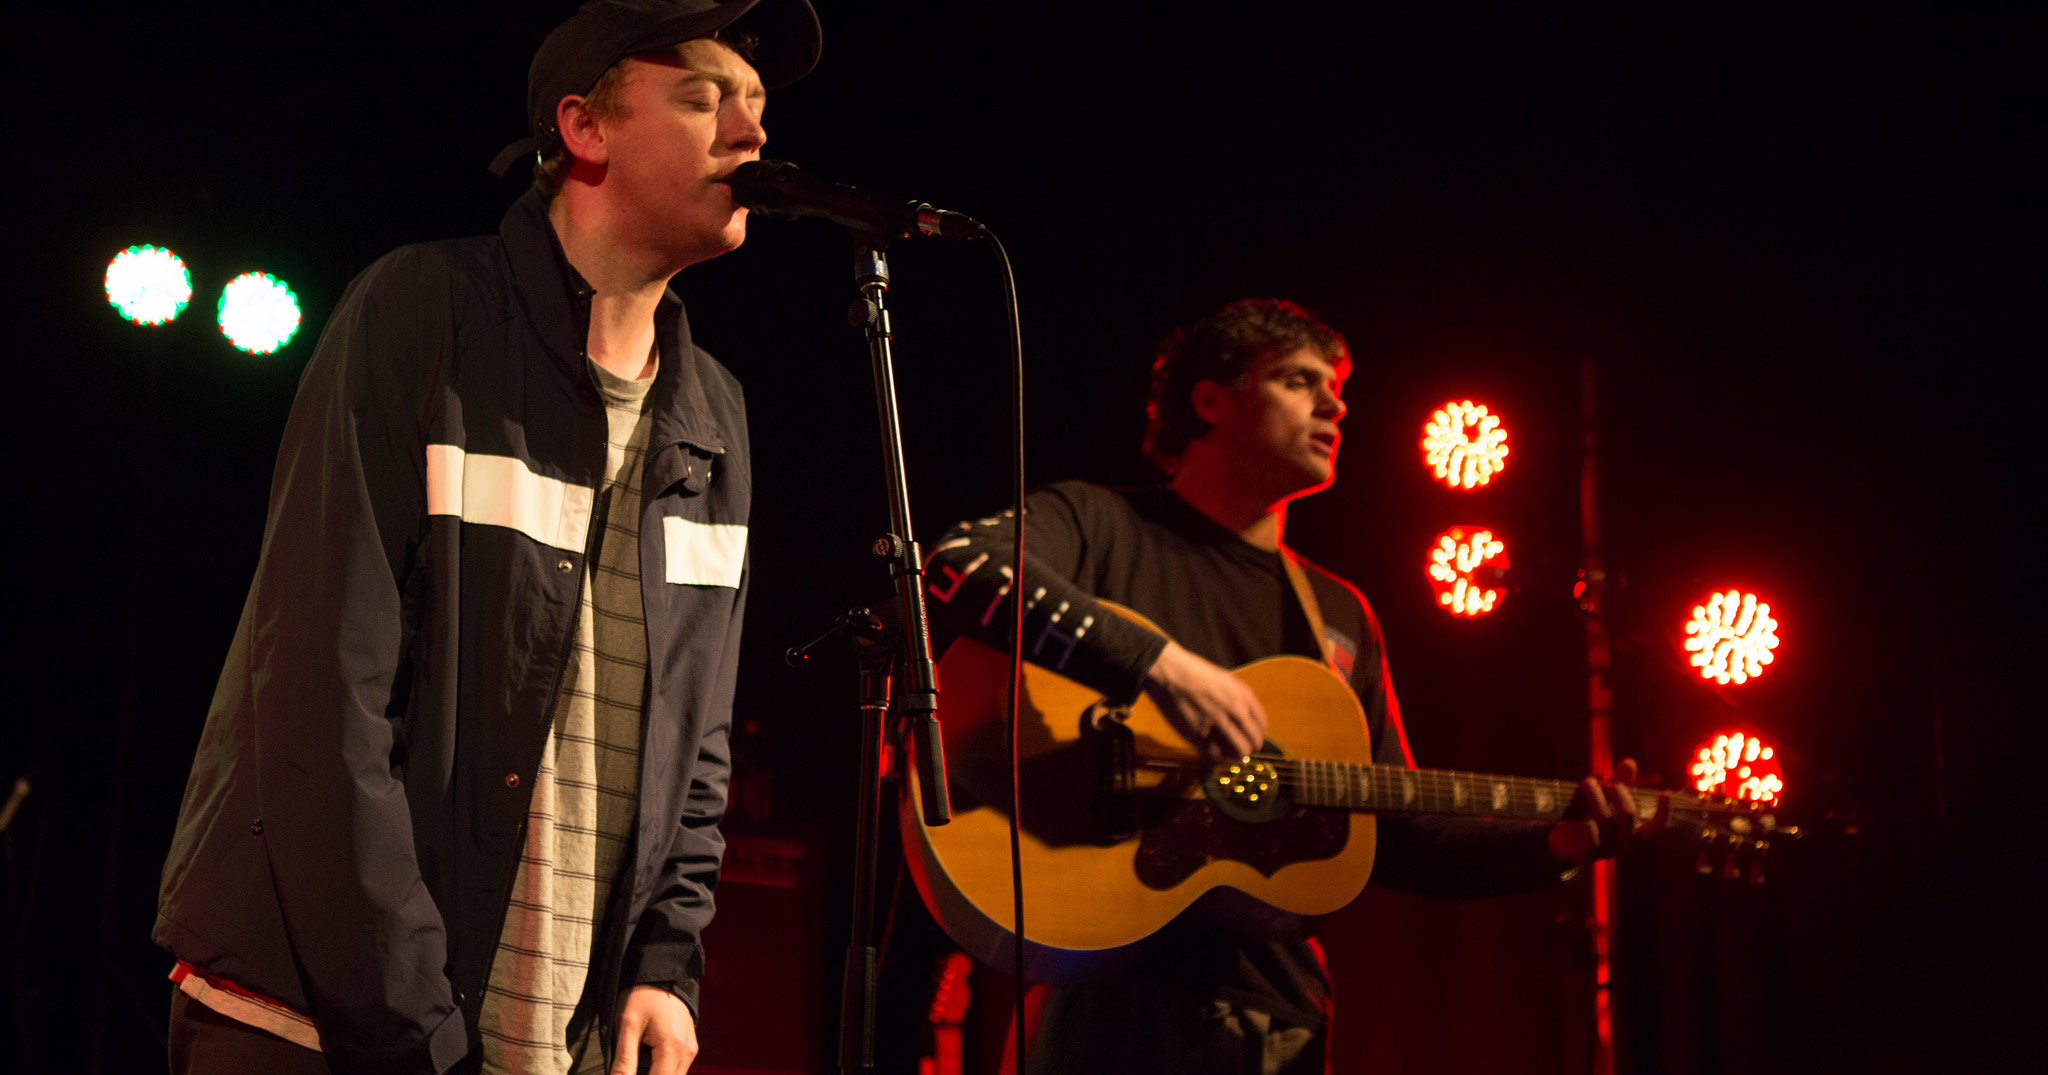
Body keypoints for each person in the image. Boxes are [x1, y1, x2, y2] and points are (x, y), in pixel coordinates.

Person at [152, 3, 821, 1073]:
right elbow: (321, 698)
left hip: (544, 1037)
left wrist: (661, 961)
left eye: (757, 107)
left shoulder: (715, 417)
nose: (751, 135)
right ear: (584, 130)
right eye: (704, 98)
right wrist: (418, 1028)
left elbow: (698, 745)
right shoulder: (418, 313)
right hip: (321, 1027)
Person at [922, 298, 1668, 1075]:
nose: (1335, 403)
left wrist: (1556, 845)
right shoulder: (1099, 524)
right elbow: (960, 564)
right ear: (1209, 400)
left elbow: (1396, 828)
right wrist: (1158, 665)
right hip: (1098, 991)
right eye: (1297, 379)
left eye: (1338, 387)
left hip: (1270, 1020)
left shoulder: (1339, 616)